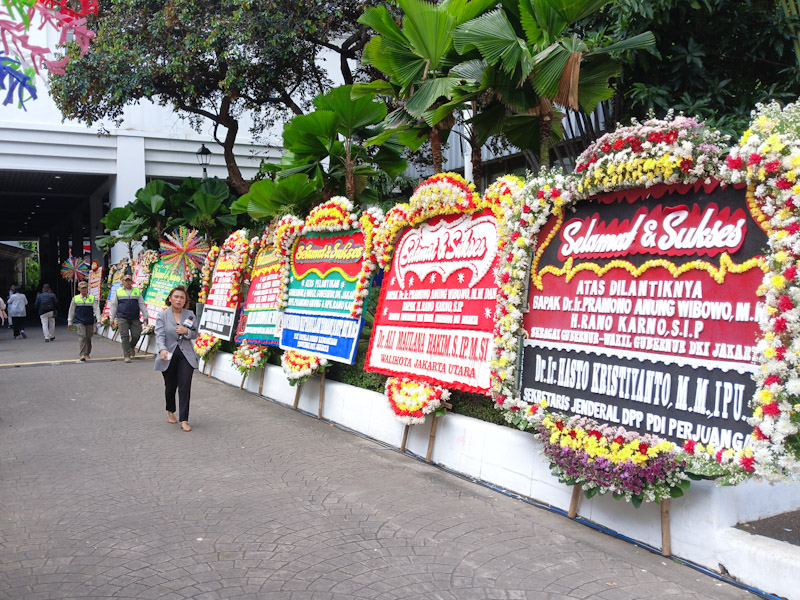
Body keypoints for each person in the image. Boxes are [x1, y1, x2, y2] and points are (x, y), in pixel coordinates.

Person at [154, 286, 198, 432]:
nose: (179, 300)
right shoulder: (162, 315)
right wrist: (162, 349)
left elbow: (194, 333)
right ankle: (170, 411)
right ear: (170, 298)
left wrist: (186, 332)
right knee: (170, 386)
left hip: (186, 354)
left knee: (185, 385)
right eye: (176, 297)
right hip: (168, 354)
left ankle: (184, 419)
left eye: (182, 298)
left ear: (185, 300)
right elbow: (159, 335)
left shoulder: (190, 314)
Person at [109, 272, 148, 362]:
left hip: (134, 317)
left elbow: (141, 304)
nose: (127, 282)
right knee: (124, 336)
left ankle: (131, 346)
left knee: (136, 335)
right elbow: (114, 305)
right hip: (122, 317)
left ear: (132, 282)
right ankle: (127, 355)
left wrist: (145, 316)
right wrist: (111, 319)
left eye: (129, 281)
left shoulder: (136, 291)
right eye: (126, 281)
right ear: (122, 282)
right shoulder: (118, 292)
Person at [67, 281, 101, 362]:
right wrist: (70, 322)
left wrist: (99, 319)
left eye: (85, 288)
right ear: (79, 289)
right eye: (82, 288)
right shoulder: (75, 299)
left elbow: (96, 309)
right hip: (79, 321)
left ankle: (87, 353)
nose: (83, 290)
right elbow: (71, 311)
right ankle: (82, 354)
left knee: (88, 337)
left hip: (89, 321)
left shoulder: (92, 298)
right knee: (82, 337)